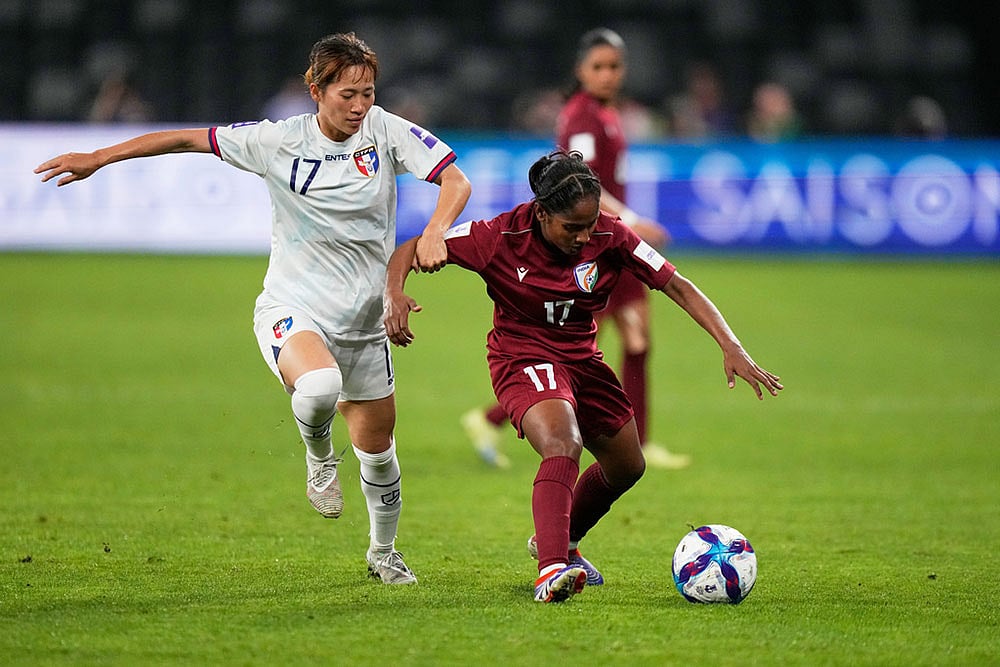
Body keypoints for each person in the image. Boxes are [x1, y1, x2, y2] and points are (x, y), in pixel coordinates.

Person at [35, 32, 472, 585]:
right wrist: (100, 156)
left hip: (364, 323)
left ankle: (383, 553)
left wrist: (434, 231)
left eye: (368, 92)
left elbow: (455, 179)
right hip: (293, 305)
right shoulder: (276, 140)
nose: (360, 105)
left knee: (379, 451)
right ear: (316, 89)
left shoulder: (384, 132)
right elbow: (183, 140)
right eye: (348, 94)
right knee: (317, 387)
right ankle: (318, 458)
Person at [384, 150, 783, 602]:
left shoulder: (611, 235)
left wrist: (730, 344)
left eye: (590, 224)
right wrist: (394, 293)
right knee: (561, 441)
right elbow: (410, 248)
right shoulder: (497, 236)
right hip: (522, 357)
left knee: (628, 464)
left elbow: (677, 284)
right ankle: (551, 569)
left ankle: (563, 540)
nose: (584, 236)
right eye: (572, 227)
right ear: (540, 213)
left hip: (583, 360)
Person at [462, 27, 689, 471]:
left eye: (614, 67)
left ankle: (635, 439)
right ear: (580, 71)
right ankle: (494, 417)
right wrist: (633, 220)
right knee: (592, 345)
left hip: (607, 239)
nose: (607, 75)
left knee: (633, 341)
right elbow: (578, 187)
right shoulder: (583, 117)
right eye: (598, 67)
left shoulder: (605, 113)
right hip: (597, 243)